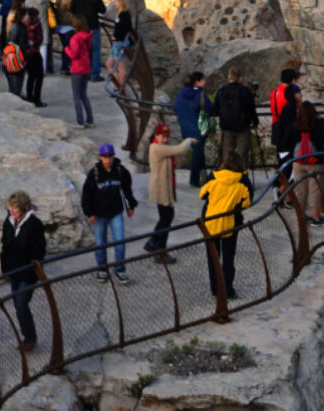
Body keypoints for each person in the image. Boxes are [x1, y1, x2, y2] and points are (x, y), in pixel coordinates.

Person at [80, 144, 136, 283]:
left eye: (110, 156)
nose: (108, 159)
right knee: (100, 244)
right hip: (99, 214)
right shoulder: (94, 173)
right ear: (100, 157)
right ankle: (102, 268)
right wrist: (89, 213)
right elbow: (86, 194)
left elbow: (127, 189)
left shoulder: (120, 171)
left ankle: (120, 269)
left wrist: (130, 205)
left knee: (120, 242)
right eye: (105, 157)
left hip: (115, 212)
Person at [199, 151, 251, 300]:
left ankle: (215, 289)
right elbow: (247, 202)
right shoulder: (243, 181)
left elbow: (202, 194)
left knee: (213, 257)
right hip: (230, 224)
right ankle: (228, 289)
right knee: (228, 257)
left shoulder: (214, 177)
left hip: (210, 223)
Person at [0, 190, 47, 351]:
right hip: (14, 271)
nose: (12, 210)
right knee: (19, 305)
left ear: (23, 207)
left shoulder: (34, 224)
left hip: (28, 273)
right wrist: (5, 268)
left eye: (15, 208)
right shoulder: (8, 222)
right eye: (10, 207)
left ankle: (29, 338)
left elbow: (39, 251)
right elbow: (5, 246)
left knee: (21, 305)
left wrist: (34, 271)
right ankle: (28, 336)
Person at [144, 123, 195, 263]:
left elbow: (170, 159)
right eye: (163, 136)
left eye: (167, 137)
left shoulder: (161, 148)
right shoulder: (156, 148)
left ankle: (156, 245)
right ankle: (157, 246)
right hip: (161, 189)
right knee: (166, 218)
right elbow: (179, 149)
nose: (166, 139)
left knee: (166, 217)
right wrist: (189, 140)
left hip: (166, 187)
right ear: (156, 136)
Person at [289, 101, 324, 224]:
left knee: (300, 190)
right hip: (316, 162)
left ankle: (301, 217)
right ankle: (316, 218)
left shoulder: (294, 125)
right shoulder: (319, 124)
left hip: (298, 162)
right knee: (316, 190)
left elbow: (286, 142)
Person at [175, 71, 214, 186]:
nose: (205, 82)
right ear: (197, 82)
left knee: (198, 152)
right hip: (198, 129)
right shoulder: (200, 95)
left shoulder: (182, 93)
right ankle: (194, 179)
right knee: (197, 153)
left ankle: (204, 176)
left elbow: (176, 106)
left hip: (185, 128)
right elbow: (210, 108)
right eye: (203, 80)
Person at [214, 67, 258, 168]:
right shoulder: (245, 91)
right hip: (243, 127)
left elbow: (215, 108)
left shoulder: (221, 91)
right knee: (242, 153)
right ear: (240, 78)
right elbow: (251, 109)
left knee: (227, 154)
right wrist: (255, 122)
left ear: (229, 77)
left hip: (227, 127)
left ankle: (227, 177)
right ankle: (242, 178)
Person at [68, 0, 106, 81]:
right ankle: (95, 75)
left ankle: (83, 72)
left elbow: (71, 10)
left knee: (81, 51)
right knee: (95, 51)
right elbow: (103, 10)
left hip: (80, 28)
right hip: (93, 26)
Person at [65, 15, 95, 127]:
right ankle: (90, 120)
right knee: (84, 95)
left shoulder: (75, 38)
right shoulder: (88, 36)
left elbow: (74, 55)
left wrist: (66, 49)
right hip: (86, 67)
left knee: (76, 96)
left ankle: (80, 122)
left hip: (77, 69)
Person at [3, 8, 29, 99]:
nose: (28, 17)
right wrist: (29, 44)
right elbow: (20, 45)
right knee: (16, 84)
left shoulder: (14, 27)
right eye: (26, 15)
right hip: (17, 59)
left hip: (11, 59)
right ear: (22, 16)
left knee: (13, 85)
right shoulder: (21, 28)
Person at [23, 6, 46, 106]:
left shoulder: (24, 25)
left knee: (31, 76)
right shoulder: (37, 25)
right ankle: (37, 99)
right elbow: (39, 39)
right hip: (35, 52)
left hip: (26, 53)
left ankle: (29, 97)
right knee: (39, 76)